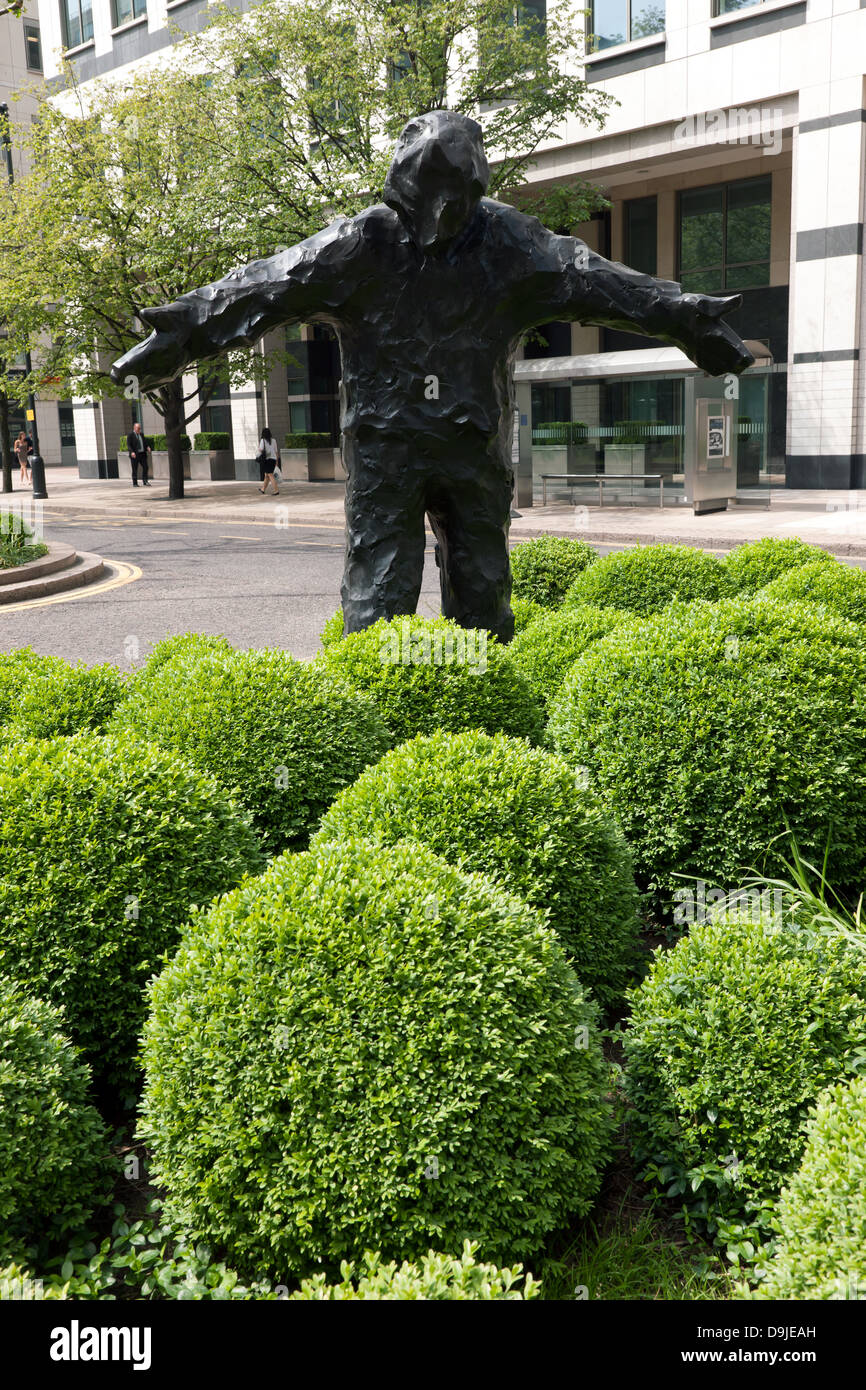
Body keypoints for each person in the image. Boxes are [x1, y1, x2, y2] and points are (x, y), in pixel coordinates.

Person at [111, 110, 753, 642]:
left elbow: (601, 282)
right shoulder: (370, 243)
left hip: (464, 450)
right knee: (382, 593)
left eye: (450, 200)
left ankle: (473, 723)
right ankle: (389, 722)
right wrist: (179, 334)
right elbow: (265, 288)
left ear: (470, 190)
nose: (438, 218)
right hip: (393, 450)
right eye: (426, 200)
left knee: (476, 596)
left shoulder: (507, 243)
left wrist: (688, 318)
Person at [126, 422, 151, 487]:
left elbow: (144, 442)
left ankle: (145, 481)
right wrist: (132, 452)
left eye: (140, 428)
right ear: (134, 428)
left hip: (142, 454)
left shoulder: (141, 434)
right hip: (135, 455)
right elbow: (129, 445)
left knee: (146, 467)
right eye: (138, 428)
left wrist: (147, 447)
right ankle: (135, 483)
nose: (139, 429)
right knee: (135, 469)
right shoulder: (130, 435)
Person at [257, 427, 280, 494]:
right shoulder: (274, 440)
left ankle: (276, 490)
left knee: (270, 475)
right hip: (273, 459)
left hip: (267, 460)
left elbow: (260, 450)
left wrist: (258, 450)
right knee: (267, 475)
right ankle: (263, 489)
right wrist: (277, 461)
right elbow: (276, 451)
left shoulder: (263, 440)